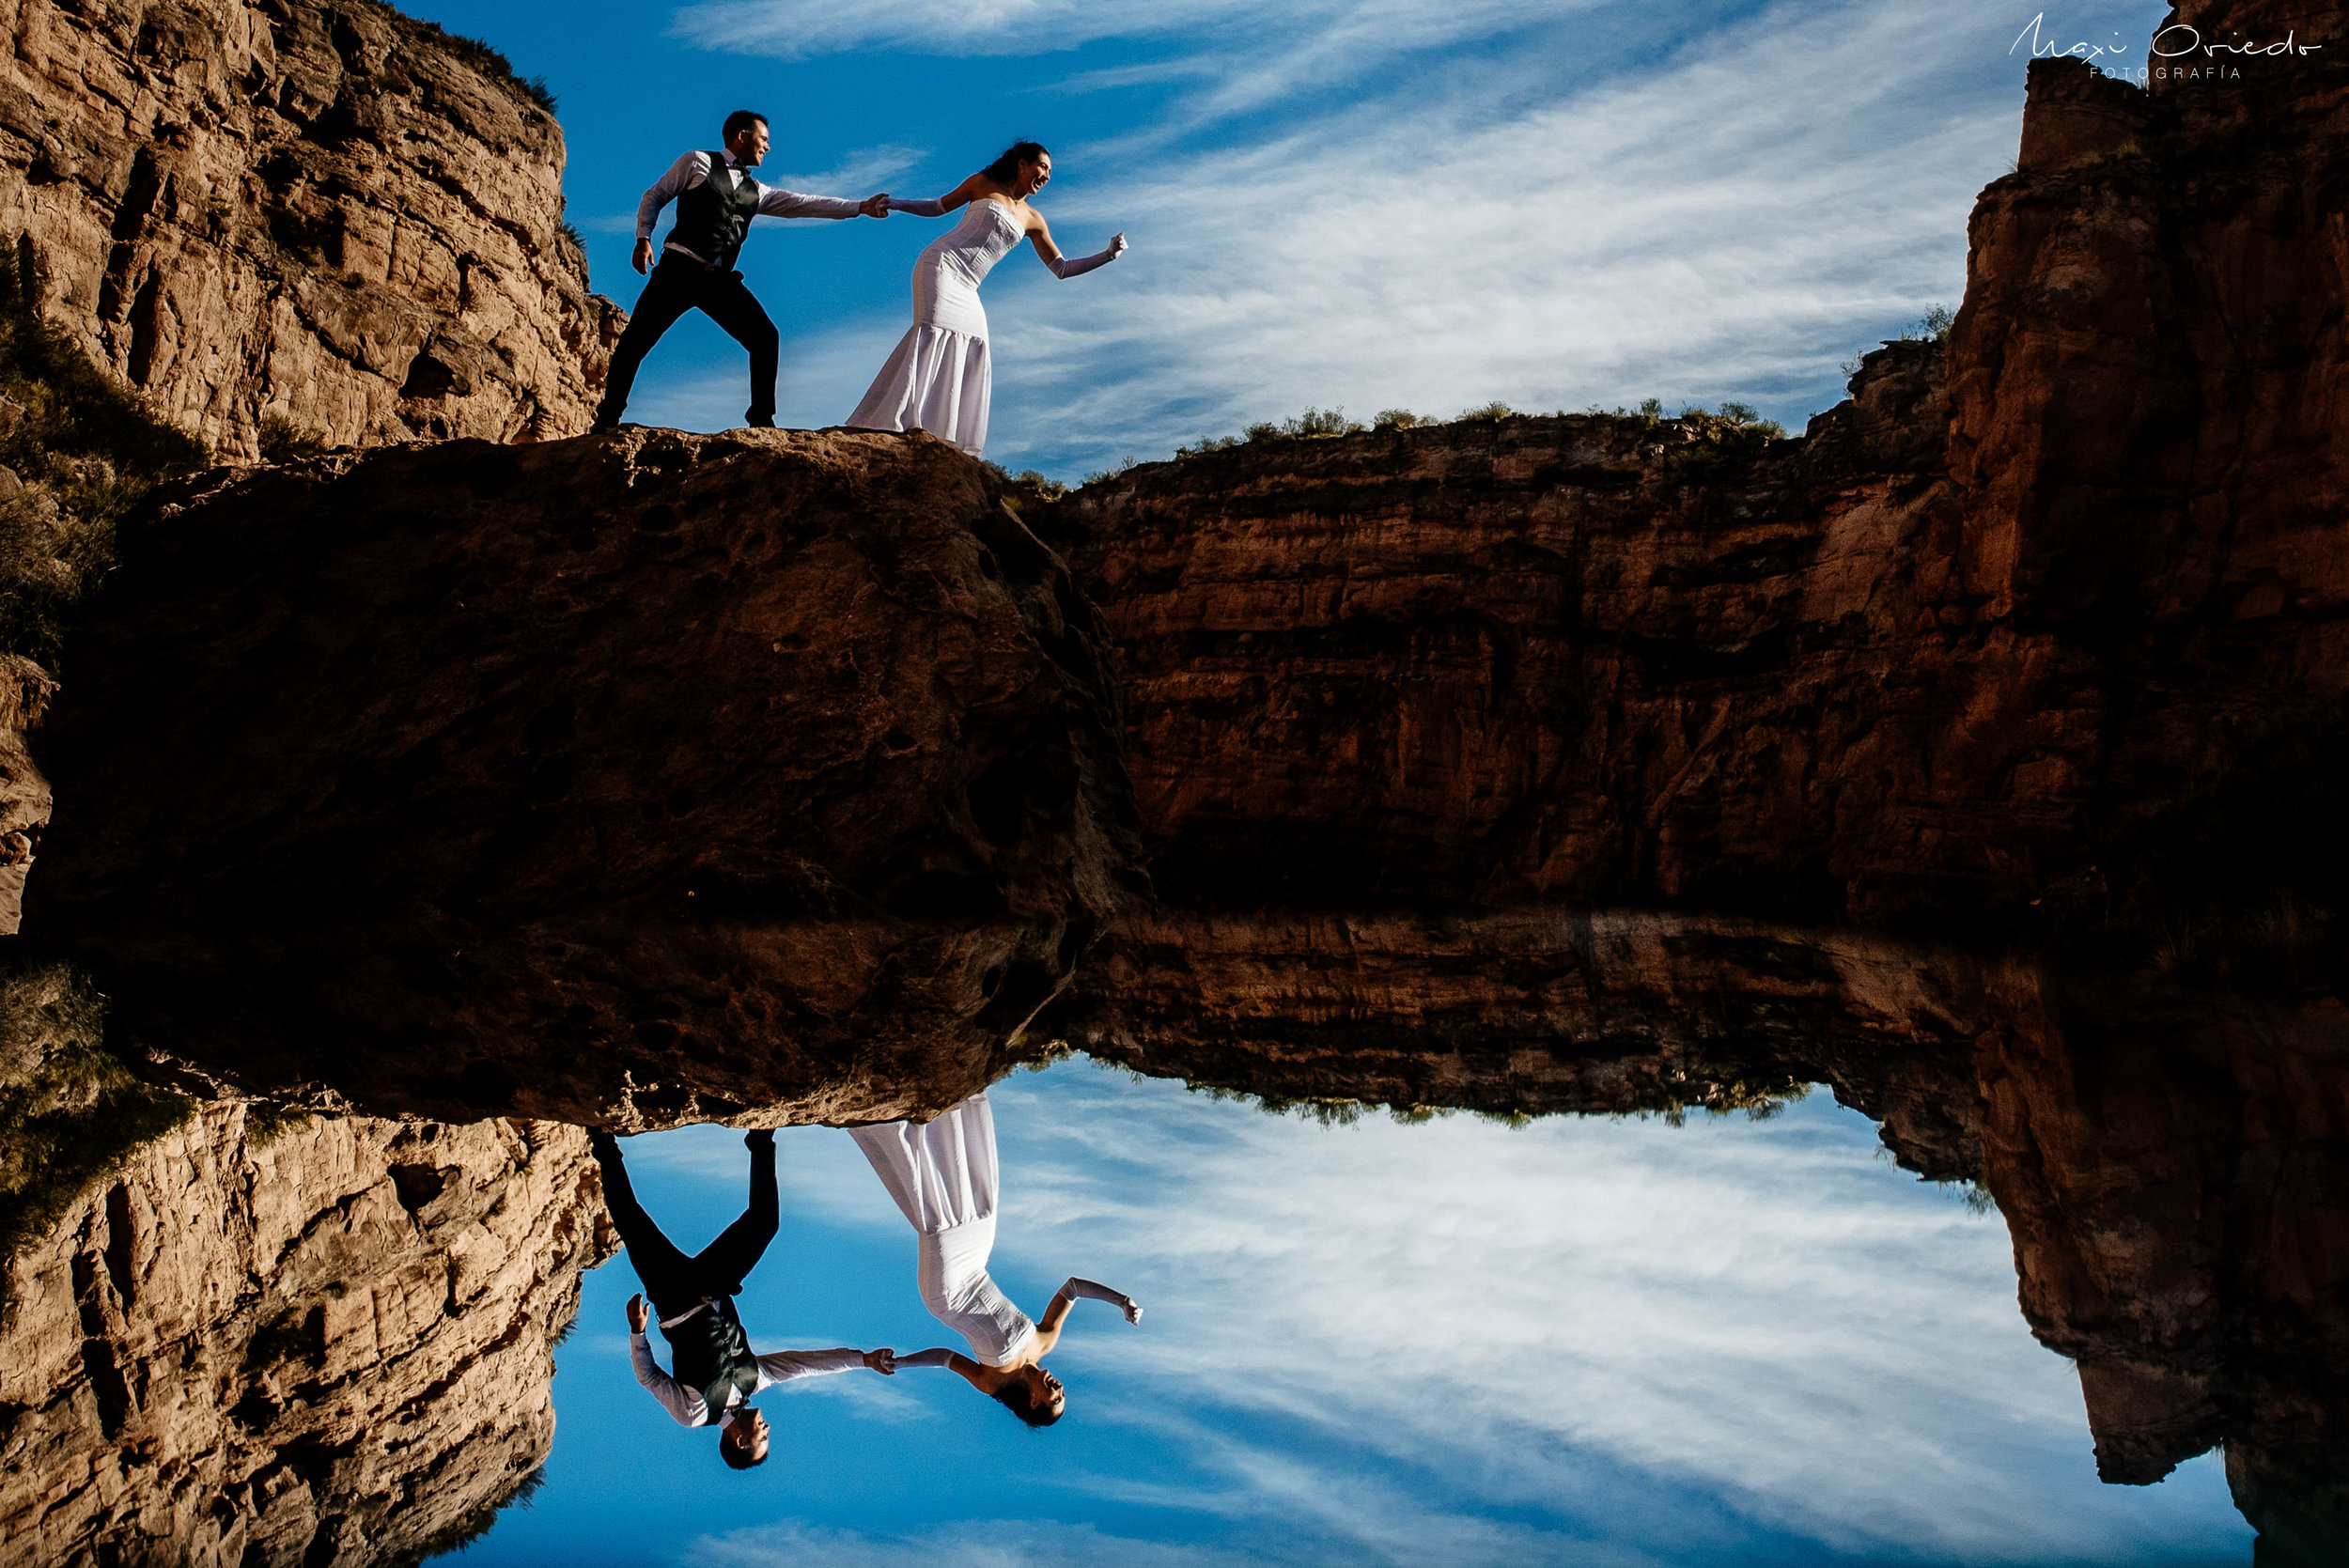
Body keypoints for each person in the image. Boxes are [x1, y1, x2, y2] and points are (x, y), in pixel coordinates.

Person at [589, 1128, 898, 1468]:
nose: (768, 1429)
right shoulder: (756, 1379)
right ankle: (762, 1133)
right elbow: (805, 1366)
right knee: (765, 1223)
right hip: (715, 1283)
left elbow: (649, 1377)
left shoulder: (694, 1414)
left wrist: (637, 1331)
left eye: (762, 1438)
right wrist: (862, 1360)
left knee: (631, 1221)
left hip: (673, 1294)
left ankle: (602, 1139)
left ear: (740, 1440)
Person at [848, 1091, 1141, 1426]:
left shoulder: (993, 1382)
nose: (1060, 1389)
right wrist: (1122, 1301)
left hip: (948, 1294)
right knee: (981, 1207)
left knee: (939, 1219)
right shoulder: (1045, 1341)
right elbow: (1072, 1288)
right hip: (976, 1264)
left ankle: (884, 1116)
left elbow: (946, 1358)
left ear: (1033, 1402)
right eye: (1063, 1395)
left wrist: (902, 1363)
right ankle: (951, 1103)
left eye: (1055, 1398)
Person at [594, 111, 893, 433]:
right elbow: (655, 195)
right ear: (742, 136)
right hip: (678, 270)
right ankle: (608, 418)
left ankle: (762, 420)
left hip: (717, 281)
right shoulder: (697, 162)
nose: (767, 147)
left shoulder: (757, 190)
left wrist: (859, 207)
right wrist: (643, 238)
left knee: (765, 337)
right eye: (763, 139)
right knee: (635, 341)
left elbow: (803, 203)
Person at [843, 141, 1128, 457]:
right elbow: (937, 206)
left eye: (1050, 171)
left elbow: (1061, 268)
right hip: (941, 265)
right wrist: (896, 203)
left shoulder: (1034, 219)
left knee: (975, 346)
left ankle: (945, 437)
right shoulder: (983, 183)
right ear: (1022, 164)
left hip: (969, 288)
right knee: (931, 334)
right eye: (1042, 167)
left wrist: (1108, 255)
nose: (1046, 175)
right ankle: (900, 422)